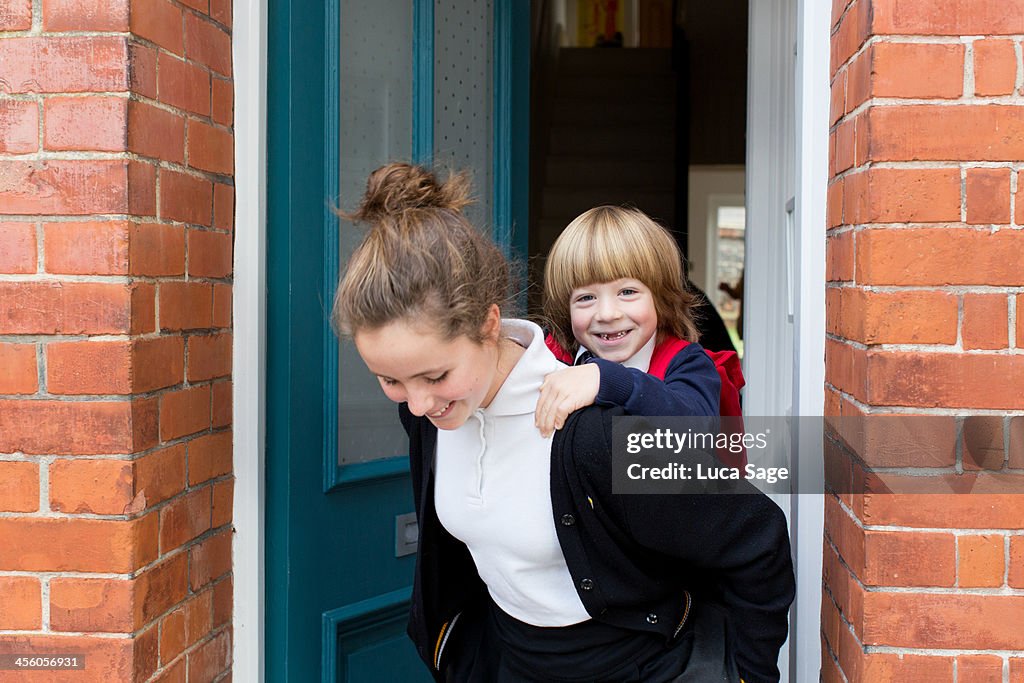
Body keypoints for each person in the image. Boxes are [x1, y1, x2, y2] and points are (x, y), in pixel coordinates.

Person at [333, 163, 794, 683]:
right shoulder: (431, 412)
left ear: (488, 324)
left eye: (435, 375)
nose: (417, 404)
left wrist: (752, 677)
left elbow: (758, 541)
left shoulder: (597, 430)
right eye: (390, 381)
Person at [536, 206, 744, 452]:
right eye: (586, 298)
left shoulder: (688, 363)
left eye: (627, 292)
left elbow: (695, 429)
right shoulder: (549, 359)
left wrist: (610, 381)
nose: (607, 314)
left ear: (661, 298)